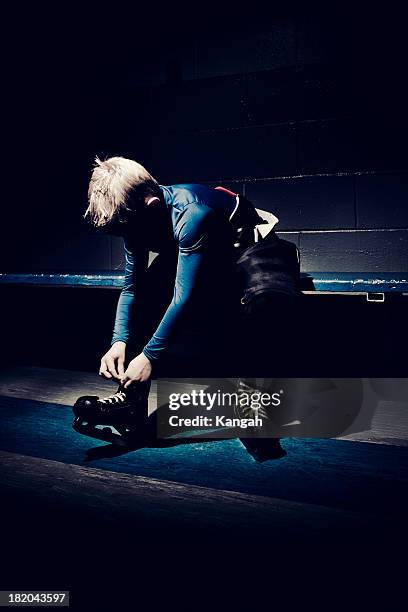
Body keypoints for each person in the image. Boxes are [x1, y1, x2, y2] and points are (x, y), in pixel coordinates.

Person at [74, 156, 290, 460]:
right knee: (148, 294)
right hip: (200, 250)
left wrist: (149, 356)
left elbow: (184, 297)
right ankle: (130, 404)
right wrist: (119, 340)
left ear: (150, 206)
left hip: (246, 244)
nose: (128, 238)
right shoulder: (137, 220)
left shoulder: (191, 213)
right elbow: (132, 288)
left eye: (128, 230)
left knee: (264, 302)